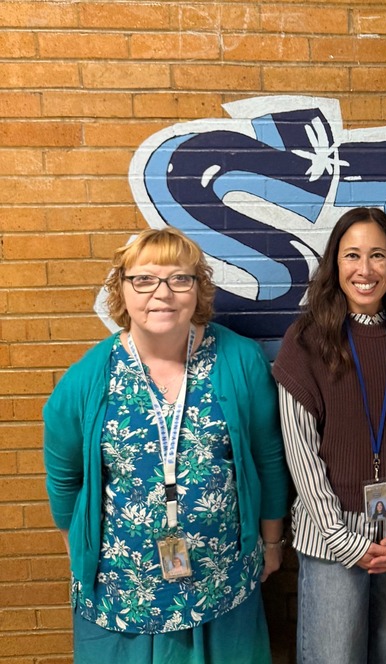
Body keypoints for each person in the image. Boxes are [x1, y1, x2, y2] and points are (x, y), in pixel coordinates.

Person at [43, 227, 291, 664]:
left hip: (222, 583)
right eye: (144, 279)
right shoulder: (88, 377)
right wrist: (77, 552)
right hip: (122, 593)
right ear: (121, 289)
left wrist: (272, 543)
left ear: (199, 289)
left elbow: (268, 459)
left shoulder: (238, 359)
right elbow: (64, 477)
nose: (163, 293)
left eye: (180, 278)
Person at [272, 207, 386, 664]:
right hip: (331, 540)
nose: (365, 270)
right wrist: (342, 538)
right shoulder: (306, 339)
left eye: (377, 256)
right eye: (352, 256)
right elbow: (301, 453)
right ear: (335, 263)